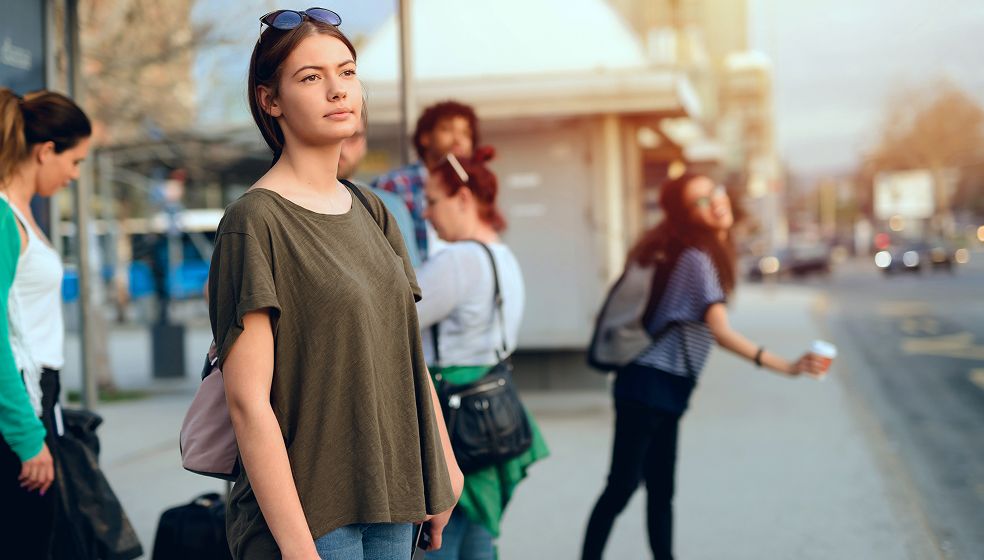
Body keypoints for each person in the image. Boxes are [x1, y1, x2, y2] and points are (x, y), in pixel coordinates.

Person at [207, 9, 463, 560]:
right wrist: (300, 552)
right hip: (308, 514)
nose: (337, 90)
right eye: (310, 77)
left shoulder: (373, 210)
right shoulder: (255, 222)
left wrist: (443, 467)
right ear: (269, 100)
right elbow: (248, 403)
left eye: (346, 72)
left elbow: (405, 355)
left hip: (393, 494)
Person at [580, 173, 827, 560]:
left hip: (664, 388)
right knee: (623, 487)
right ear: (686, 215)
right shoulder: (697, 258)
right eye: (700, 200)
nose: (715, 201)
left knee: (659, 491)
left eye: (715, 191)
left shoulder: (699, 252)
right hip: (648, 386)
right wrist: (786, 366)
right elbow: (721, 332)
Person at [414, 149, 549, 559]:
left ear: (463, 200)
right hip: (493, 407)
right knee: (477, 535)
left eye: (433, 201)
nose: (426, 213)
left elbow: (393, 318)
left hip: (454, 414)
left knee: (445, 538)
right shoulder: (502, 256)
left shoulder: (458, 260)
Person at [0, 87, 91, 558]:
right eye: (74, 162)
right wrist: (27, 436)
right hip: (19, 411)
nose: (74, 176)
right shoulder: (2, 217)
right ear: (45, 151)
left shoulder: (21, 214)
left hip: (39, 399)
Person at [371, 100, 479, 260]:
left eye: (465, 133)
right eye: (447, 129)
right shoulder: (394, 183)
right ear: (425, 137)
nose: (458, 139)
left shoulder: (473, 186)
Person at [338, 124, 421, 267]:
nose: (341, 146)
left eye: (352, 136)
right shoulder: (291, 204)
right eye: (334, 135)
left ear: (364, 142)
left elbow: (410, 278)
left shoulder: (390, 206)